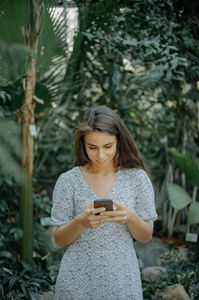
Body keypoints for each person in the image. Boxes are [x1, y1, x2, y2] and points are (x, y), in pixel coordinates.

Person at [51, 105, 157, 300]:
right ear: (82, 144)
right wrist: (80, 222)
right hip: (76, 280)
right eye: (92, 147)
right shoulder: (68, 181)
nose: (100, 155)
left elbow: (146, 236)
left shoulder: (137, 179)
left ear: (119, 142)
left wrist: (131, 218)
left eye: (108, 146)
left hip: (122, 278)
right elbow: (58, 240)